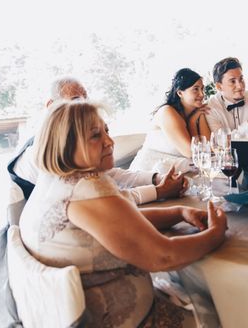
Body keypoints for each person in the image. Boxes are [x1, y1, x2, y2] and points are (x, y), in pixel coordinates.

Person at [20, 100, 227, 327]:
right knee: (227, 308)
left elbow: (120, 224)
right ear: (66, 145)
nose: (109, 142)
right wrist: (215, 235)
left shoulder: (53, 181)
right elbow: (163, 256)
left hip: (74, 314)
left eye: (106, 131)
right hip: (127, 320)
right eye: (95, 136)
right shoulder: (87, 188)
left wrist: (179, 212)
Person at [9, 76, 185, 204]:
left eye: (86, 98)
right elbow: (100, 197)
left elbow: (106, 175)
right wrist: (158, 190)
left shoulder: (70, 140)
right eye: (77, 100)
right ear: (51, 106)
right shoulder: (50, 149)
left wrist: (155, 179)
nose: (109, 142)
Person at [129, 68, 211, 172]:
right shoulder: (167, 112)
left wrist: (194, 121)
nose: (202, 94)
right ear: (180, 93)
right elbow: (190, 152)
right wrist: (192, 122)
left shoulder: (196, 113)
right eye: (195, 89)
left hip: (177, 173)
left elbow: (209, 148)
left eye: (202, 89)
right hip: (147, 173)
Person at [205, 57, 248, 138]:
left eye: (241, 79)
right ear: (219, 86)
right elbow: (222, 142)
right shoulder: (210, 108)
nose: (240, 86)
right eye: (232, 81)